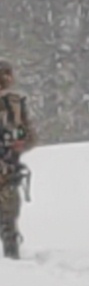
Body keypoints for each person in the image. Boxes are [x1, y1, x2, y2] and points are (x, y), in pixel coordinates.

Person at [0, 60, 35, 260]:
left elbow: (30, 135)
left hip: (9, 169)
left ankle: (11, 253)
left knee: (9, 214)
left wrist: (21, 143)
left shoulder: (15, 104)